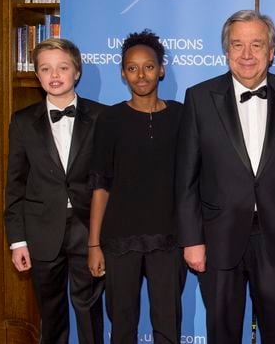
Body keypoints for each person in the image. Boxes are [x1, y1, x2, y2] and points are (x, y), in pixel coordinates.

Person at [175, 10, 275, 344]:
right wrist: (192, 239)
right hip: (218, 236)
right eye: (237, 45)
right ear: (226, 51)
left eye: (256, 44)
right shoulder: (199, 97)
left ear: (271, 51)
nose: (247, 55)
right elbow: (186, 177)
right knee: (221, 331)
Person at [87, 30, 185, 343]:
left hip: (170, 238)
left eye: (148, 66)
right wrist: (93, 245)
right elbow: (101, 186)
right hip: (119, 239)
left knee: (168, 323)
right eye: (132, 68)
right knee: (122, 325)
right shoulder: (110, 119)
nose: (141, 75)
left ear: (162, 69)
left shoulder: (182, 115)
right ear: (122, 73)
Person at [4, 38, 104, 343]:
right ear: (37, 75)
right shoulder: (22, 122)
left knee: (88, 308)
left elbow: (108, 182)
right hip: (41, 230)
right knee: (51, 312)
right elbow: (15, 183)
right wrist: (17, 241)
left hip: (88, 230)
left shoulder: (102, 117)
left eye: (62, 67)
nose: (55, 75)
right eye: (45, 69)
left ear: (77, 71)